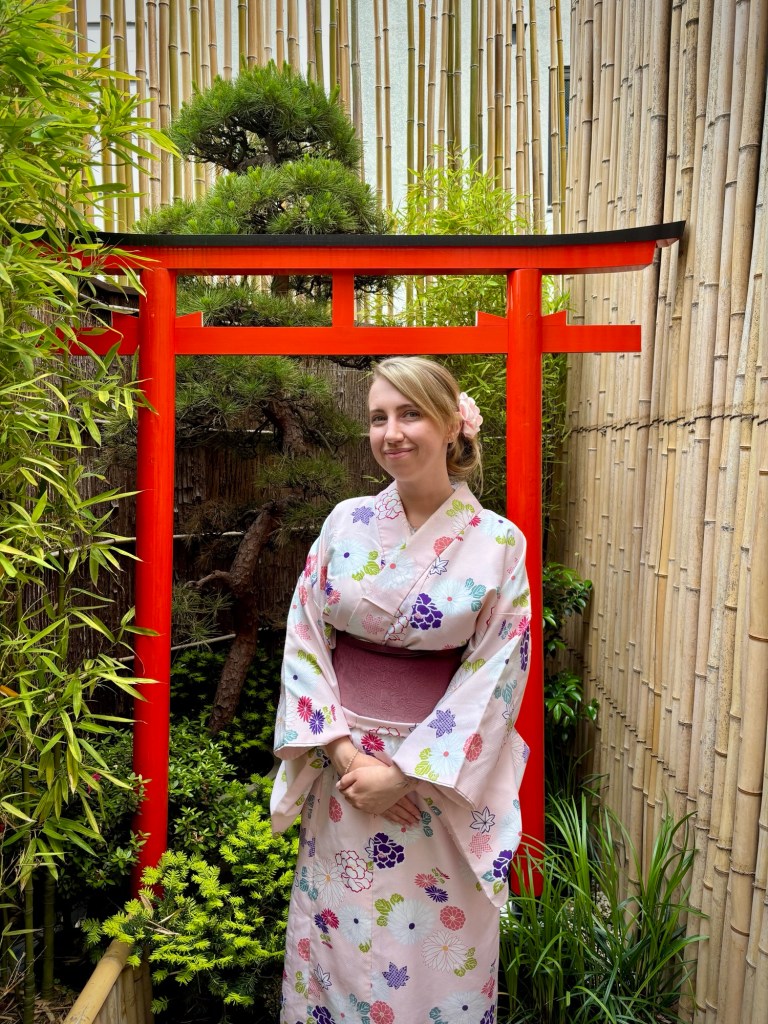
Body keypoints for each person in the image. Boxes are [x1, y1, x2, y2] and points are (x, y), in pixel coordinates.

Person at [271, 357, 531, 1024]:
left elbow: (497, 672)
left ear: (450, 425)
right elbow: (304, 635)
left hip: (437, 788)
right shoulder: (345, 523)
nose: (392, 432)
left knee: (437, 951)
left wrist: (406, 774)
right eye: (379, 418)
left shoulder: (498, 543)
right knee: (343, 944)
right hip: (347, 774)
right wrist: (342, 751)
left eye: (410, 413)